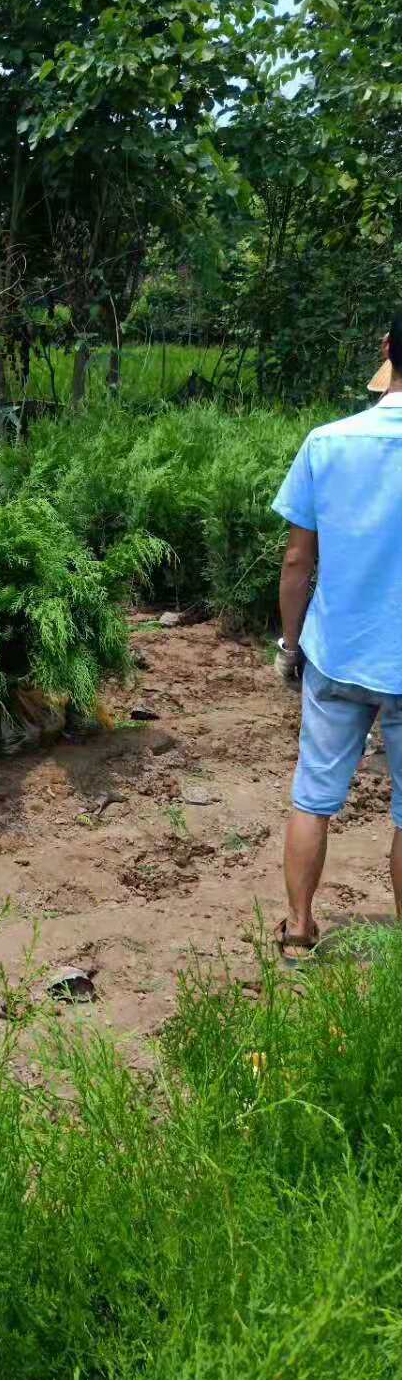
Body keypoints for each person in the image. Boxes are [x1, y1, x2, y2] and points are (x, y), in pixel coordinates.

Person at [272, 313, 402, 959]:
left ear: (387, 351)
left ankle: (298, 930)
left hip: (338, 653)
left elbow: (298, 563)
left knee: (314, 795)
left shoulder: (328, 443)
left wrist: (290, 647)